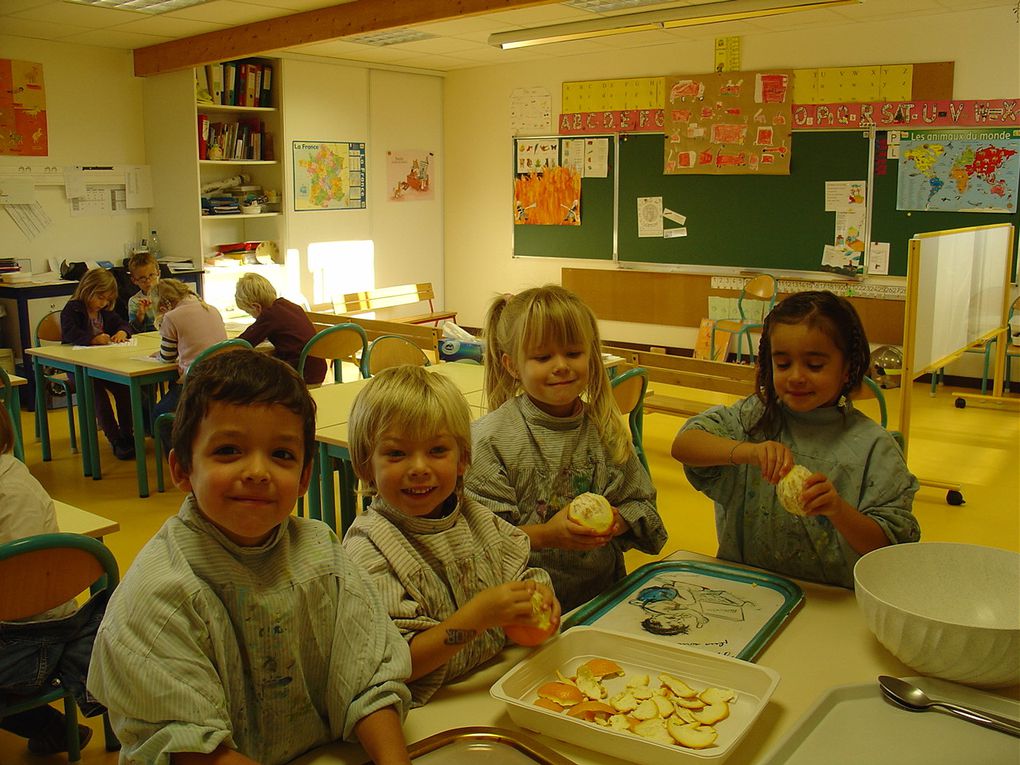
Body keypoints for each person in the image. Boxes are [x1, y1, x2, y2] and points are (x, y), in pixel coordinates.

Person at [87, 349, 413, 765]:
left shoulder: (321, 552)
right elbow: (189, 747)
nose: (258, 471)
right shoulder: (159, 595)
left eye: (281, 455)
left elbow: (370, 677)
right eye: (228, 451)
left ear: (304, 477)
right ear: (182, 468)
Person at [670, 290, 921, 588]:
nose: (796, 377)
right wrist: (747, 452)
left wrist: (837, 509)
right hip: (747, 589)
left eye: (814, 365)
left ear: (848, 368)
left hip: (831, 603)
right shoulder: (755, 419)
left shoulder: (872, 447)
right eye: (783, 364)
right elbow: (684, 444)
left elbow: (886, 548)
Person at [342, 365, 560, 706]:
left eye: (437, 450)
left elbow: (521, 573)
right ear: (365, 466)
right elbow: (398, 663)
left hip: (494, 683)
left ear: (463, 460)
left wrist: (540, 596)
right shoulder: (369, 547)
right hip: (427, 708)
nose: (418, 468)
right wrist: (477, 618)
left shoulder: (473, 517)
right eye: (397, 453)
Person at [465, 285, 667, 612]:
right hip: (522, 612)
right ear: (512, 365)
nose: (561, 365)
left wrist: (619, 521)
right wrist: (549, 534)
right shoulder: (490, 441)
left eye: (573, 353)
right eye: (543, 357)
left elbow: (642, 504)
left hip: (600, 601)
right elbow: (480, 542)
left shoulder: (605, 432)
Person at [0, 405, 103, 756]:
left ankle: (50, 725)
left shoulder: (11, 492)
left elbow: (22, 590)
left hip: (29, 640)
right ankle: (51, 728)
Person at [60, 267, 136, 460]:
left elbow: (123, 323)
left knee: (123, 389)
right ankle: (115, 438)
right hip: (78, 367)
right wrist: (92, 339)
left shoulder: (105, 311)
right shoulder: (73, 309)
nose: (103, 303)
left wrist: (122, 332)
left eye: (107, 300)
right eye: (100, 298)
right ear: (88, 290)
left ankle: (128, 434)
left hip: (103, 365)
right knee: (98, 396)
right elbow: (69, 333)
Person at [151, 278, 227, 428]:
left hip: (197, 382)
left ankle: (175, 450)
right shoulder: (211, 308)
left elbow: (167, 358)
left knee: (159, 413)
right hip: (224, 378)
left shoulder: (171, 317)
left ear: (162, 305)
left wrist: (159, 354)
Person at [234, 272, 326, 384]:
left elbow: (242, 343)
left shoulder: (269, 315)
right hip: (316, 368)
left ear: (256, 307)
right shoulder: (290, 305)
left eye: (248, 312)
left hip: (299, 373)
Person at [126, 251, 160, 333]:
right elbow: (133, 330)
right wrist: (140, 315)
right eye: (142, 278)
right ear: (134, 280)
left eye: (151, 275)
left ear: (158, 273)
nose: (148, 281)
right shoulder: (135, 301)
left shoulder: (169, 294)